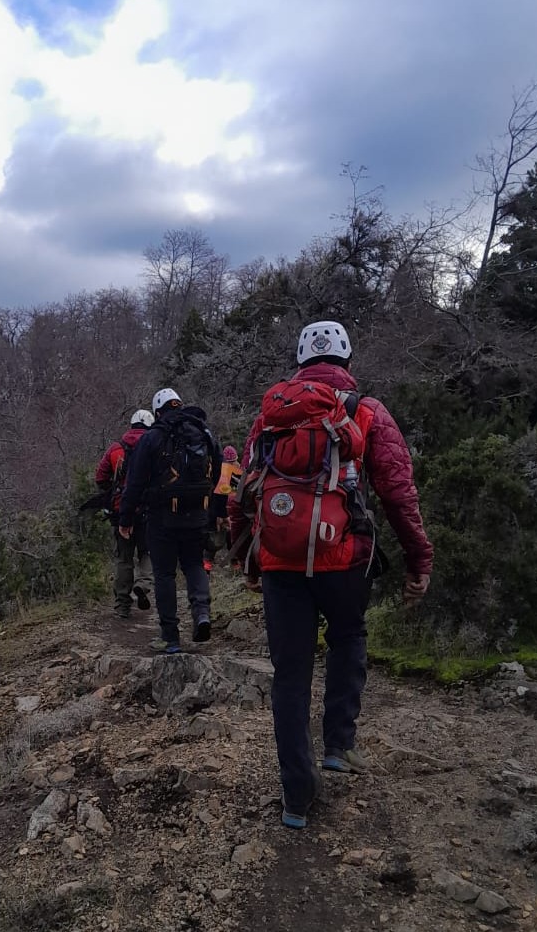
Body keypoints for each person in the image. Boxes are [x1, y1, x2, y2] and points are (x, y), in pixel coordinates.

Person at [230, 320, 432, 829]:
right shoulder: (366, 410)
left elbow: (246, 488)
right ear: (347, 360)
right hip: (344, 558)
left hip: (280, 561)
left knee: (290, 674)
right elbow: (398, 492)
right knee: (348, 636)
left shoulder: (272, 414)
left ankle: (296, 797)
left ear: (300, 362)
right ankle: (339, 745)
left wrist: (245, 557)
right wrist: (418, 559)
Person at [118, 389, 221, 653]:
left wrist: (126, 518)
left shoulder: (153, 437)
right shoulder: (203, 432)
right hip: (198, 513)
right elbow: (217, 469)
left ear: (158, 412)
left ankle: (170, 637)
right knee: (194, 565)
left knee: (164, 575)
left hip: (162, 517)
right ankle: (201, 614)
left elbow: (135, 481)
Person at [94, 409, 155, 618]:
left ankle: (122, 605)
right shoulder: (155, 444)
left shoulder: (116, 448)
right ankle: (144, 585)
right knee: (148, 552)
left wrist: (112, 490)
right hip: (149, 509)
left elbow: (100, 477)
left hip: (120, 510)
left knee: (123, 558)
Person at [204, 445, 243, 572]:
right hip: (219, 510)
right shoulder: (222, 473)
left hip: (230, 509)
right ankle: (207, 562)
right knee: (215, 537)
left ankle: (234, 561)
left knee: (230, 536)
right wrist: (219, 514)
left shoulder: (237, 471)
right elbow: (219, 494)